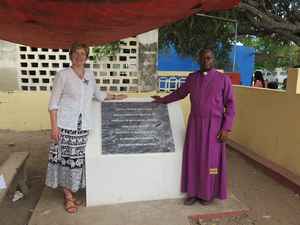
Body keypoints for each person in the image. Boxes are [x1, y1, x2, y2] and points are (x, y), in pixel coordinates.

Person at [46, 42, 127, 213]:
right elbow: (53, 104)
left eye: (83, 53)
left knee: (76, 162)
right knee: (65, 161)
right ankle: (68, 197)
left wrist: (115, 96)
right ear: (71, 55)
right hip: (65, 126)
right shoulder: (63, 75)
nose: (79, 56)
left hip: (82, 127)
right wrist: (54, 128)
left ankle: (72, 193)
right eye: (76, 53)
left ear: (87, 56)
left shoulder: (90, 74)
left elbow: (97, 94)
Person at [152, 49, 235, 205]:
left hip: (215, 127)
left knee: (210, 162)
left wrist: (226, 128)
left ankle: (207, 194)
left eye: (209, 58)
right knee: (193, 158)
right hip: (195, 125)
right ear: (199, 59)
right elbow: (179, 93)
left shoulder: (223, 79)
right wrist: (163, 100)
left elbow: (230, 105)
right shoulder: (192, 78)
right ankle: (192, 192)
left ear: (213, 59)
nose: (206, 61)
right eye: (203, 58)